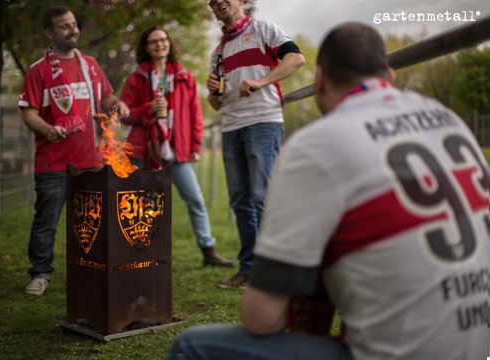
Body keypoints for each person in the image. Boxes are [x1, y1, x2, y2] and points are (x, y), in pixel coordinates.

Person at [168, 22, 490, 359]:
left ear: (319, 80)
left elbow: (262, 319)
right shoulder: (448, 119)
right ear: (389, 77)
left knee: (189, 346)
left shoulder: (317, 144)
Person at [18, 6, 130, 296]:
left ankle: (90, 271)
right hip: (52, 163)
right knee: (46, 223)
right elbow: (28, 113)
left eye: (73, 24)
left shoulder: (90, 64)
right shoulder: (38, 70)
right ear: (50, 33)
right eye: (65, 26)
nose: (73, 30)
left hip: (90, 160)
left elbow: (107, 97)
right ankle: (40, 273)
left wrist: (118, 104)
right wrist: (47, 129)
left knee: (91, 223)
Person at [206, 0, 306, 288]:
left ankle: (277, 268)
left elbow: (296, 59)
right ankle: (249, 269)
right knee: (240, 201)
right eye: (213, 2)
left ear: (241, 2)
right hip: (231, 127)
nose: (218, 3)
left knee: (263, 197)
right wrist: (214, 91)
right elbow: (215, 104)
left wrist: (261, 82)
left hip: (263, 121)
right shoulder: (219, 51)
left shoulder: (264, 29)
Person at [119, 26, 234, 267]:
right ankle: (143, 253)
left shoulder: (184, 77)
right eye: (153, 42)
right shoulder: (136, 78)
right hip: (145, 151)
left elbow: (195, 116)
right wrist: (147, 109)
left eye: (163, 40)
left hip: (177, 150)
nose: (159, 44)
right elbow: (125, 115)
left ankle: (208, 251)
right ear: (146, 48)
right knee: (146, 206)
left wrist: (195, 145)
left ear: (169, 44)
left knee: (195, 200)